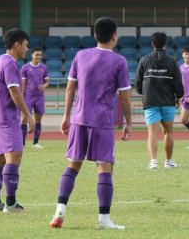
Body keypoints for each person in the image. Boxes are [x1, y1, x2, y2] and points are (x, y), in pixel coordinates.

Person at [50, 17, 132, 230]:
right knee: (105, 167)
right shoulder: (119, 61)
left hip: (79, 119)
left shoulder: (80, 55)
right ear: (114, 36)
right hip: (102, 121)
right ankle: (104, 220)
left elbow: (70, 89)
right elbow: (124, 96)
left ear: (95, 35)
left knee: (72, 165)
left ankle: (60, 209)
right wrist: (128, 122)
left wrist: (66, 116)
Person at [0, 29, 34, 213]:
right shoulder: (11, 64)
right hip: (7, 119)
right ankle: (11, 203)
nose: (27, 49)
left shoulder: (0, 59)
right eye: (25, 45)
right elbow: (15, 92)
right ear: (17, 44)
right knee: (14, 157)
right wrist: (28, 116)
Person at [135, 32, 184, 169]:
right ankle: (168, 162)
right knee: (168, 131)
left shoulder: (144, 60)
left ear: (152, 43)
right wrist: (178, 96)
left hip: (150, 101)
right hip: (168, 101)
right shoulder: (172, 61)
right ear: (165, 44)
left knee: (152, 133)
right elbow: (178, 83)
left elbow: (138, 82)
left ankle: (153, 162)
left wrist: (142, 93)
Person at [21, 47, 49, 148]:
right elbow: (23, 83)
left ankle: (35, 143)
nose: (38, 57)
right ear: (32, 55)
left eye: (40, 55)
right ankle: (22, 143)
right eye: (36, 54)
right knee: (24, 119)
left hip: (40, 97)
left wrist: (44, 86)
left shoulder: (44, 68)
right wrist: (22, 96)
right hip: (28, 97)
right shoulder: (25, 67)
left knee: (38, 119)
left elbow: (47, 82)